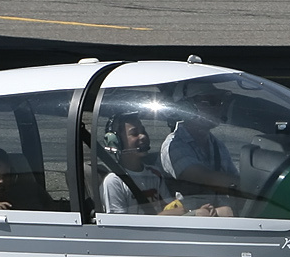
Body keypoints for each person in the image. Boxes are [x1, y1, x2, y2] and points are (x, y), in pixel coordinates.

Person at [159, 86, 239, 217]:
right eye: (211, 102)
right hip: (191, 221)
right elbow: (203, 177)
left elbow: (234, 180)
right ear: (187, 107)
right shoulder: (174, 145)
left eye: (220, 102)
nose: (218, 108)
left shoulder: (217, 145)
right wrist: (247, 186)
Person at [98, 114, 177, 215]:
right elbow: (119, 226)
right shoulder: (114, 181)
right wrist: (163, 216)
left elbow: (170, 207)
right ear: (116, 142)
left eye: (143, 131)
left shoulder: (155, 174)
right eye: (134, 133)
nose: (143, 136)